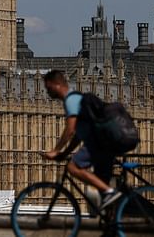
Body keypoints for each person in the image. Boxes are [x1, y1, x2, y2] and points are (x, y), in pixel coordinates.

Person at [41, 70, 123, 210]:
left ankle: (110, 193)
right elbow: (78, 135)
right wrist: (66, 153)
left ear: (57, 85)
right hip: (107, 141)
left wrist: (56, 150)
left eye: (48, 88)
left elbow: (70, 129)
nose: (47, 92)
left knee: (73, 167)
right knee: (100, 185)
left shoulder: (71, 100)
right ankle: (113, 222)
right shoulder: (77, 98)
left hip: (101, 142)